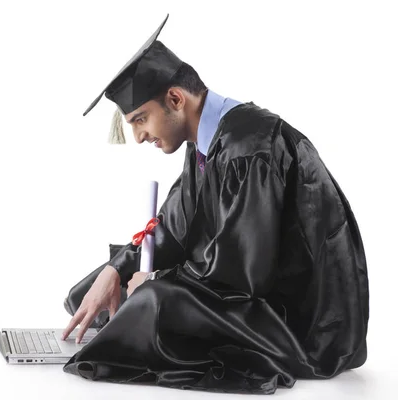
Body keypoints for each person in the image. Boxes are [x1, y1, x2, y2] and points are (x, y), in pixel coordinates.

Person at [60, 15, 369, 394]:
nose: (138, 136)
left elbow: (239, 276)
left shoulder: (248, 147)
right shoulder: (207, 145)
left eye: (141, 120)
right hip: (254, 296)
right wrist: (116, 270)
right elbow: (172, 230)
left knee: (153, 300)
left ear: (175, 98)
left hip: (300, 326)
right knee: (91, 292)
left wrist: (153, 282)